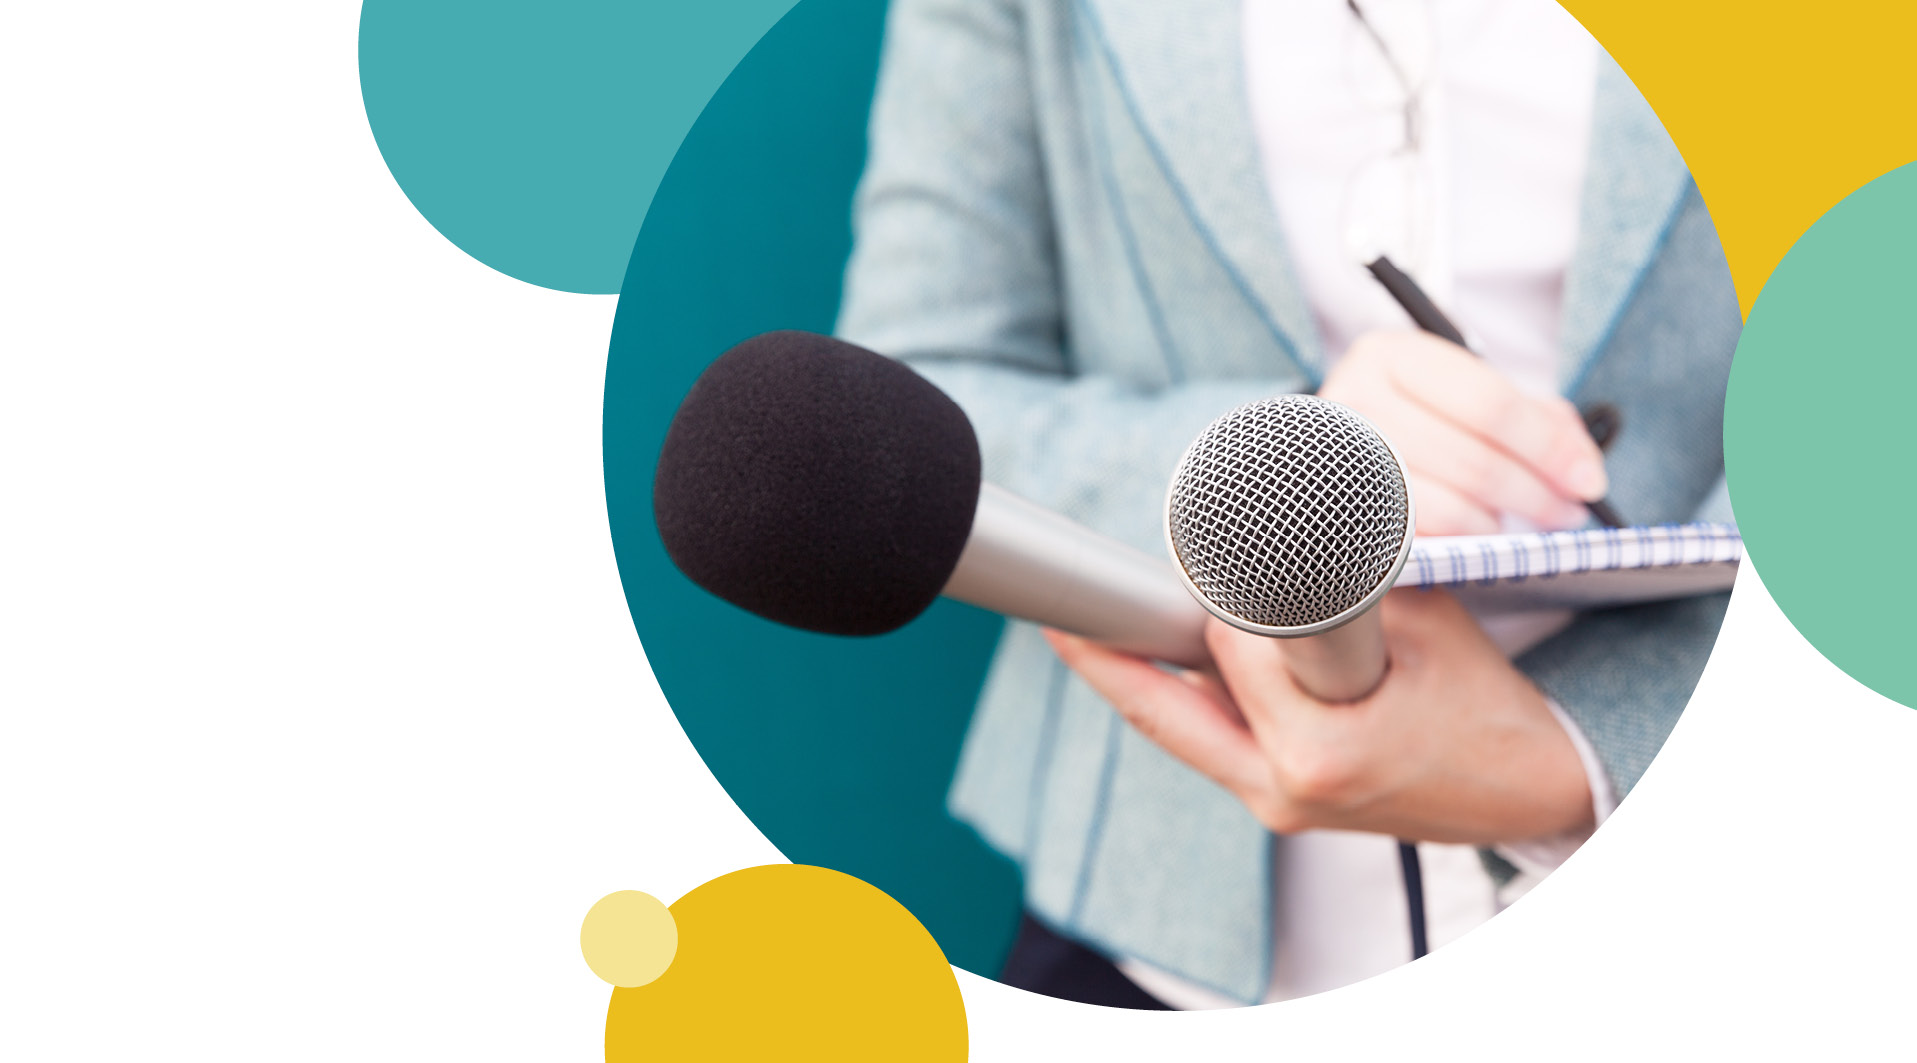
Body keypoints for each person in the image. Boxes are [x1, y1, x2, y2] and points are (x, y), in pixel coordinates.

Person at [837, 0, 1739, 1009]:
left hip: (1704, 878)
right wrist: (1281, 471)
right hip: (1155, 928)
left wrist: (1595, 743)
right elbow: (908, 401)